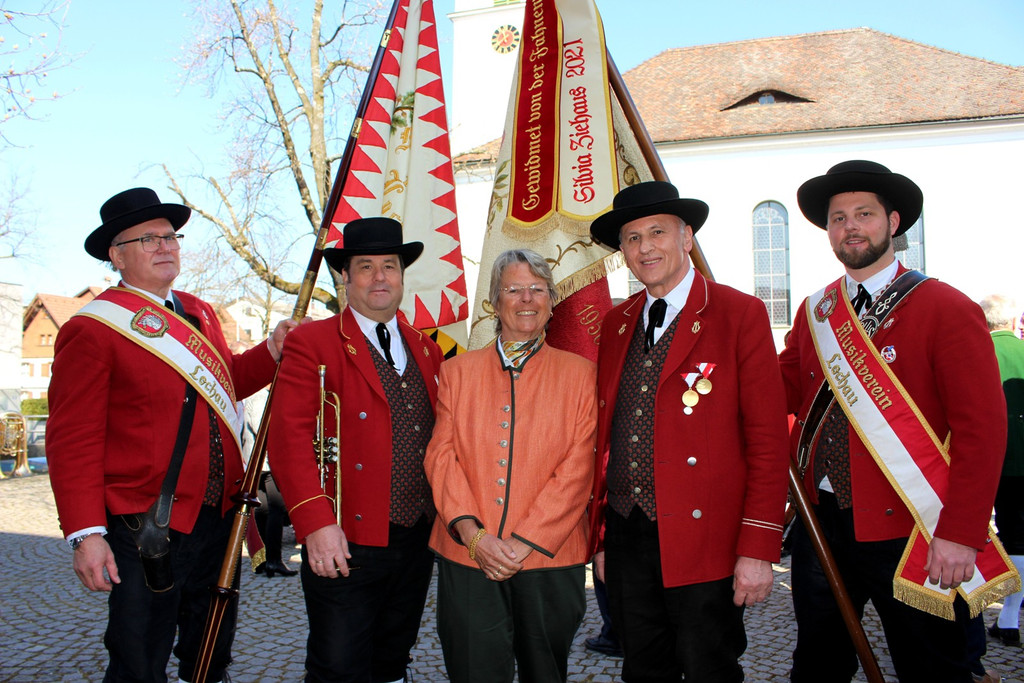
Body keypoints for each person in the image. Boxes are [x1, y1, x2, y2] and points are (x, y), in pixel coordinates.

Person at [46, 187, 295, 683]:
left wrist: (273, 349)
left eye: (170, 236)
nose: (165, 246)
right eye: (148, 239)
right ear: (117, 255)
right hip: (145, 524)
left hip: (219, 514)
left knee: (210, 651)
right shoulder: (94, 328)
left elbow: (227, 382)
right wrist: (85, 534)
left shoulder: (199, 313)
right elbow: (72, 438)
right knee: (140, 654)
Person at [780, 160, 1013, 682]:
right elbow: (778, 392)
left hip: (913, 527)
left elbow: (982, 430)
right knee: (817, 665)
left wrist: (961, 532)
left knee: (932, 666)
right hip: (823, 521)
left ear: (894, 222)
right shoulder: (815, 312)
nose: (850, 226)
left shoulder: (944, 307)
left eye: (864, 213)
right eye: (838, 218)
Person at [587, 181, 791, 682]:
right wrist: (603, 540)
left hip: (708, 539)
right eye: (632, 239)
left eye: (657, 232)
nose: (645, 247)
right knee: (642, 670)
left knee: (708, 670)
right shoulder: (616, 324)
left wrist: (759, 548)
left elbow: (768, 441)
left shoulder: (738, 313)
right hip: (630, 534)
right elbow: (607, 437)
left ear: (687, 238)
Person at [269, 217, 443, 683]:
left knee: (392, 659)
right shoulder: (312, 341)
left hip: (415, 536)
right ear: (345, 278)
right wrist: (316, 524)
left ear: (403, 276)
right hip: (346, 535)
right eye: (366, 267)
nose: (380, 277)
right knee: (338, 666)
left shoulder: (428, 350)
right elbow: (287, 443)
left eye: (390, 265)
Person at [423, 248, 596, 683]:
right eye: (513, 290)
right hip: (468, 556)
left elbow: (581, 465)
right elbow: (441, 457)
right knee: (473, 670)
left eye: (537, 289)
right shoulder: (457, 372)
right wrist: (474, 535)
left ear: (552, 301)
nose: (526, 299)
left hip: (551, 560)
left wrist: (526, 542)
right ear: (494, 303)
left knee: (546, 672)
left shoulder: (582, 374)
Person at [979, 294, 1024, 647]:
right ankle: (1009, 616)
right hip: (1019, 461)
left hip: (986, 461)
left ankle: (976, 617)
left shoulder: (978, 350)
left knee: (982, 534)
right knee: (1020, 535)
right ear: (1011, 322)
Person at [237, 378, 296, 579]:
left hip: (257, 461)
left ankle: (263, 559)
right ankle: (273, 560)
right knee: (276, 510)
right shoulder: (261, 397)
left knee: (263, 509)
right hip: (267, 462)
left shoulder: (256, 396)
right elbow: (262, 428)